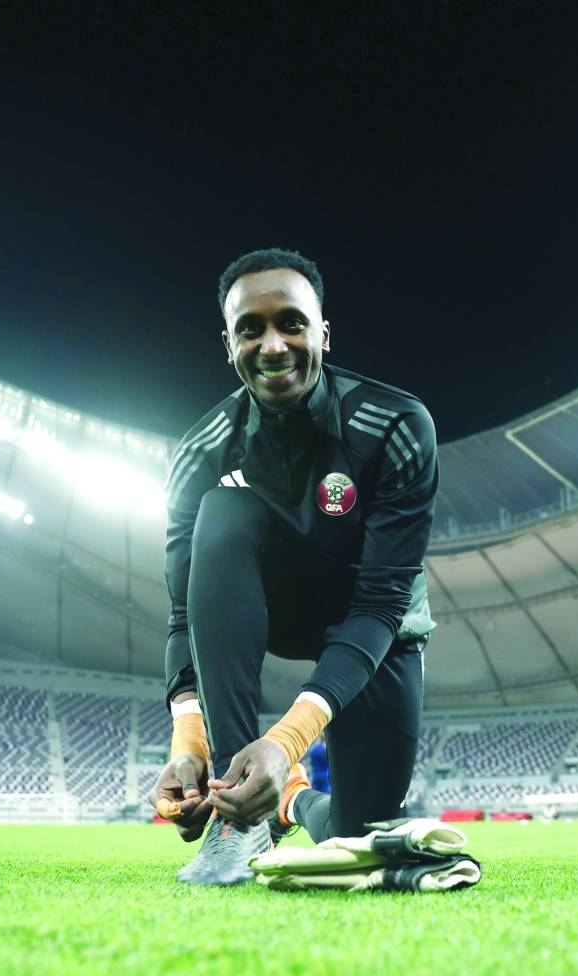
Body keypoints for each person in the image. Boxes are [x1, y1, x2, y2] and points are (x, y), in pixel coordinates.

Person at [149, 247, 438, 885]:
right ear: (229, 346)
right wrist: (188, 740)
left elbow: (383, 599)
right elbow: (181, 616)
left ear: (323, 334)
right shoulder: (202, 451)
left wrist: (288, 742)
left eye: (292, 323)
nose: (273, 345)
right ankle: (238, 813)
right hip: (270, 604)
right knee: (223, 513)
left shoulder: (396, 425)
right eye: (250, 329)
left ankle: (289, 799)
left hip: (374, 625)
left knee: (354, 838)